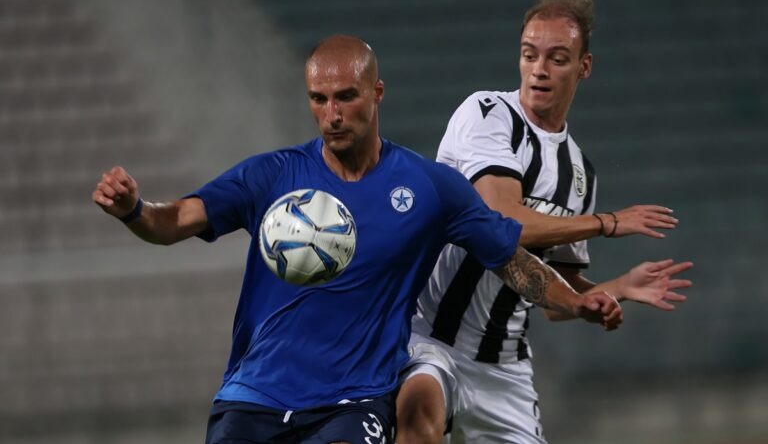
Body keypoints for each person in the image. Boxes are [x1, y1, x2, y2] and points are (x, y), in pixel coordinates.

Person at [92, 35, 623, 444]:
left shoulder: (430, 188)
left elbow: (511, 261)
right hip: (254, 393)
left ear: (377, 93)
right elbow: (174, 221)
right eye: (319, 99)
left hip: (354, 401)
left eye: (346, 97)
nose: (332, 115)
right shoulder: (271, 176)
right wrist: (135, 209)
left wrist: (576, 301)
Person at [395, 0, 694, 444]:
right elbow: (501, 221)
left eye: (557, 58)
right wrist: (606, 223)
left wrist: (616, 289)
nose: (539, 69)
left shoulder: (580, 174)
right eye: (529, 54)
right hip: (431, 338)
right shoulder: (487, 114)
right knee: (418, 420)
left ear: (583, 67)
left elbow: (556, 292)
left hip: (505, 368)